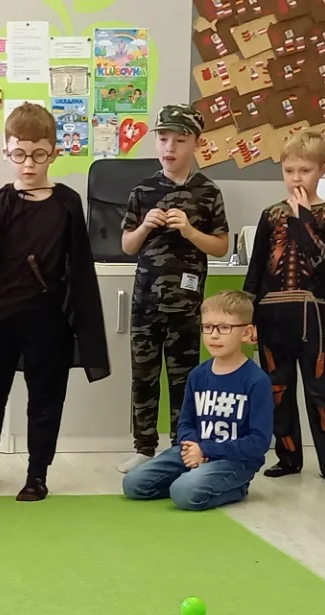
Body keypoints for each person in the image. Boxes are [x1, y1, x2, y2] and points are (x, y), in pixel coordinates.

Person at [0, 102, 109, 502]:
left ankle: (37, 474)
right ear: (7, 152)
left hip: (48, 323)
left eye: (38, 155)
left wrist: (79, 321)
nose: (28, 164)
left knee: (45, 400)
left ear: (54, 153)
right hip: (0, 320)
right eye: (19, 154)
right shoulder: (1, 202)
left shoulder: (67, 203)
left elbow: (79, 266)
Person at [118, 105, 230, 474]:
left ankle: (181, 447)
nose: (170, 148)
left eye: (180, 141)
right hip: (145, 303)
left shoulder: (207, 192)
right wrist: (145, 227)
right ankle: (143, 447)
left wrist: (190, 231)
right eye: (163, 139)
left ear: (196, 143)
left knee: (184, 380)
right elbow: (127, 246)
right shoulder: (143, 190)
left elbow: (221, 246)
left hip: (186, 305)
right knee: (143, 377)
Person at [242, 126, 325, 485]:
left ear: (321, 169)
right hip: (271, 314)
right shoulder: (270, 214)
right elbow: (256, 268)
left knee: (320, 390)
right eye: (289, 170)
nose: (296, 178)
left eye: (305, 170)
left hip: (311, 316)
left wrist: (304, 216)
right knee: (277, 388)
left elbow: (323, 260)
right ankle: (288, 456)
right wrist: (249, 315)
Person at [122, 292, 271, 511]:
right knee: (133, 484)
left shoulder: (257, 381)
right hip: (193, 452)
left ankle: (234, 487)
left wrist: (205, 450)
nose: (214, 335)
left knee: (184, 494)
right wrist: (193, 448)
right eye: (207, 327)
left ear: (246, 333)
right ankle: (192, 479)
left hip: (234, 461)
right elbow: (185, 423)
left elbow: (258, 442)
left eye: (224, 328)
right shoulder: (198, 375)